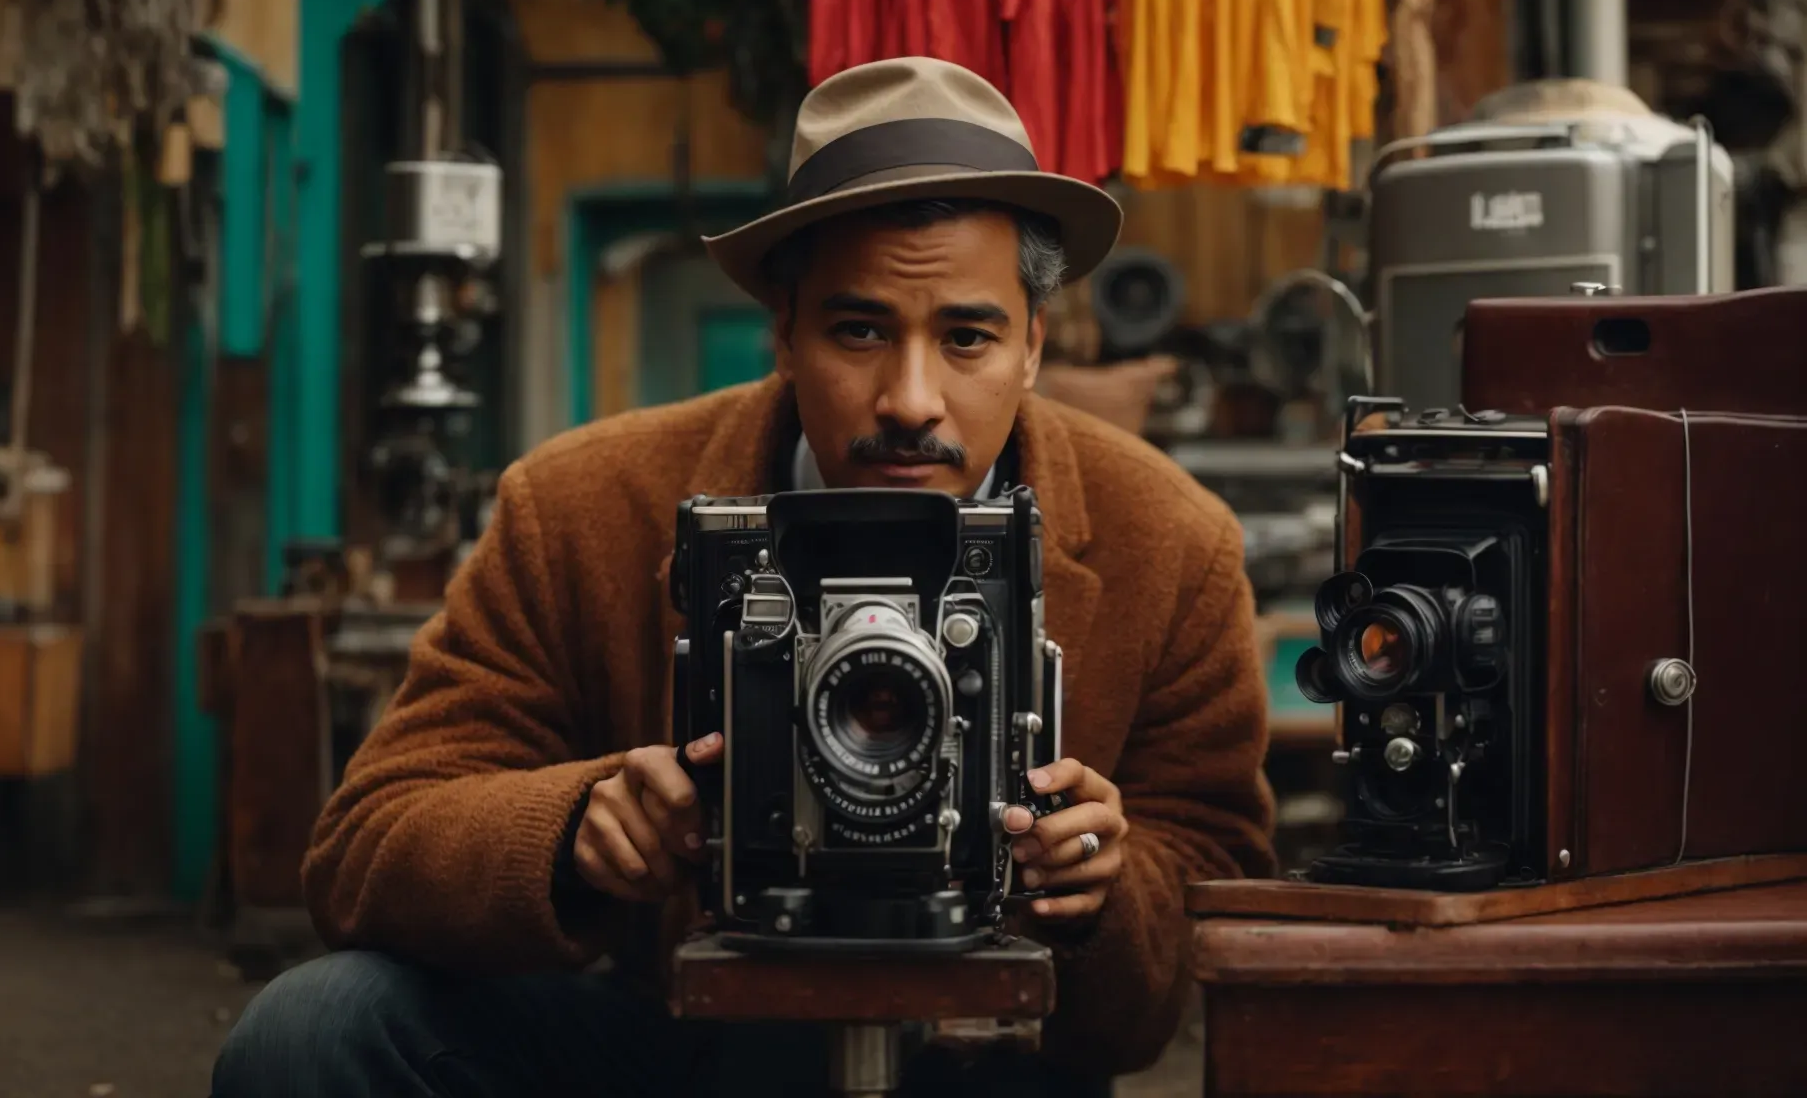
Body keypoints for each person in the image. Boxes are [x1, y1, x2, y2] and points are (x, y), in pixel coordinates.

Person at [214, 57, 1274, 1098]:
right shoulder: (583, 507)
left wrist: (1098, 887)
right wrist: (577, 826)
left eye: (965, 338)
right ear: (783, 331)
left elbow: (1204, 887)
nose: (910, 399)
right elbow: (364, 845)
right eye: (858, 329)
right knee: (313, 1036)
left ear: (1033, 345)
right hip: (681, 1029)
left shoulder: (1168, 545)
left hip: (989, 1047)